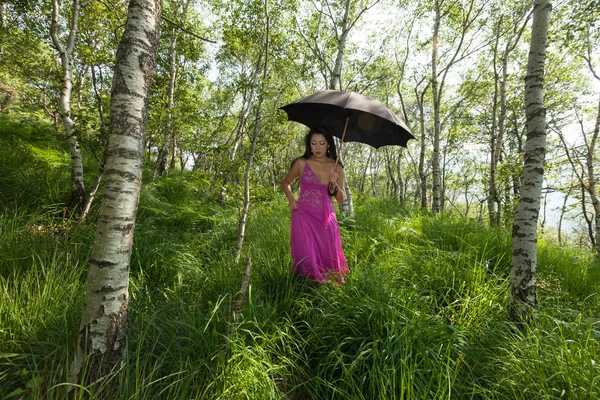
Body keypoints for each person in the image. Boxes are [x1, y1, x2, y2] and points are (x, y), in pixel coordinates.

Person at [282, 126, 349, 283]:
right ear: (309, 144)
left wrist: (335, 184)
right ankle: (307, 284)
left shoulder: (337, 167)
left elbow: (341, 198)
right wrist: (291, 198)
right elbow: (286, 182)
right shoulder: (301, 163)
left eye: (322, 143)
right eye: (313, 143)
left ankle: (327, 287)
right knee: (306, 253)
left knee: (328, 253)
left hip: (326, 218)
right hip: (303, 215)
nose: (317, 148)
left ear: (328, 145)